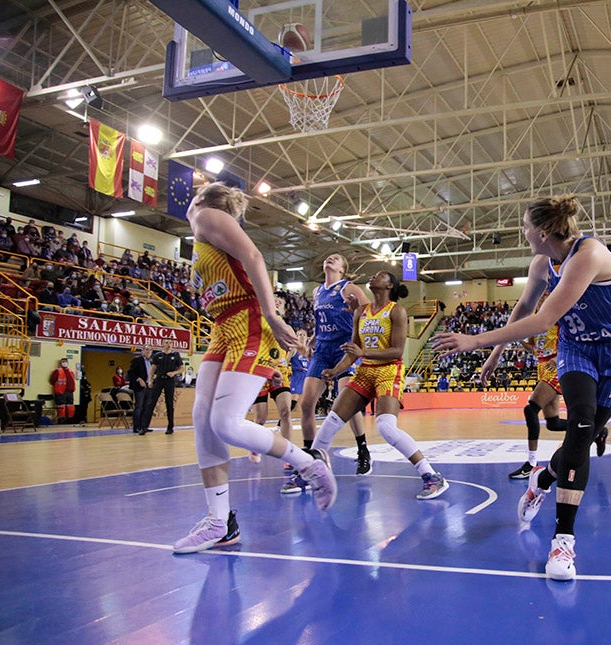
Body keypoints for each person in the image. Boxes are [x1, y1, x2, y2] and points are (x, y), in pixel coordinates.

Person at [431, 195, 611, 581]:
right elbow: (524, 309)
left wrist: (474, 339)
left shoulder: (589, 254)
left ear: (542, 232)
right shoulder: (542, 262)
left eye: (526, 227)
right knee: (580, 427)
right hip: (577, 350)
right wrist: (495, 353)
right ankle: (563, 542)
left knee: (581, 439)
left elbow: (545, 319)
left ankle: (543, 479)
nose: (523, 233)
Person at [172, 181, 337, 555]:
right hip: (223, 326)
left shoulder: (206, 215)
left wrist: (270, 313)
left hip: (247, 320)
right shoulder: (200, 231)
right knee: (202, 418)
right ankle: (220, 522)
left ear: (203, 197)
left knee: (225, 423)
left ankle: (307, 464)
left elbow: (255, 257)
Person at [308, 270, 449, 500]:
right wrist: (335, 371)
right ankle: (311, 470)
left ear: (389, 286)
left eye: (380, 275)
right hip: (365, 371)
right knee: (331, 421)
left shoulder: (398, 311)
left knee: (385, 427)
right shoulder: (360, 312)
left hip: (389, 370)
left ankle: (431, 476)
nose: (373, 277)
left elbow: (397, 350)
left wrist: (363, 352)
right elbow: (353, 350)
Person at [299, 254, 372, 477]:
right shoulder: (317, 291)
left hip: (344, 347)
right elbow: (322, 320)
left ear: (342, 269)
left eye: (336, 258)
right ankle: (312, 454)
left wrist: (358, 331)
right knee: (306, 403)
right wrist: (313, 337)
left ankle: (363, 449)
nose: (330, 258)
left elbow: (370, 311)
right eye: (328, 257)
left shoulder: (348, 288)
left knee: (346, 402)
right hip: (322, 349)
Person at [138, 339, 183, 435]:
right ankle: (144, 427)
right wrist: (150, 380)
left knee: (169, 404)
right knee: (151, 403)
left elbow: (182, 368)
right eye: (167, 343)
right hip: (159, 380)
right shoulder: (158, 356)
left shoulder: (175, 355)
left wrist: (174, 373)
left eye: (170, 343)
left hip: (169, 381)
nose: (168, 345)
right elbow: (153, 369)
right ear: (163, 345)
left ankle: (170, 427)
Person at [127, 345, 153, 434]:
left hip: (149, 386)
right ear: (143, 351)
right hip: (140, 387)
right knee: (139, 407)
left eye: (150, 350)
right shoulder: (137, 360)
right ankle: (136, 427)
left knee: (146, 408)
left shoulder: (153, 362)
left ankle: (144, 426)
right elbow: (130, 372)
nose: (148, 351)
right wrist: (138, 379)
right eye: (146, 349)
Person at [49, 358, 76, 424]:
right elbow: (52, 380)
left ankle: (70, 419)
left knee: (70, 406)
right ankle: (61, 420)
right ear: (60, 363)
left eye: (66, 362)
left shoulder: (70, 371)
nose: (64, 363)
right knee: (61, 406)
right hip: (60, 392)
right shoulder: (57, 371)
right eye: (63, 362)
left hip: (69, 391)